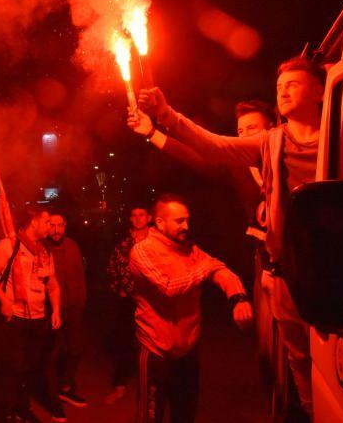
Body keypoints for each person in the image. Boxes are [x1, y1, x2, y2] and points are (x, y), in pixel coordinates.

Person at [129, 57, 325, 420]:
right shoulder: (257, 153)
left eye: (293, 84)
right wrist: (159, 124)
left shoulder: (334, 139)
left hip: (326, 268)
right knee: (287, 355)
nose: (244, 134)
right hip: (275, 268)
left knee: (334, 355)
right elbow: (206, 149)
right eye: (240, 128)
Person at [129, 194, 253, 423]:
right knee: (150, 417)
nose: (186, 226)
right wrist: (204, 269)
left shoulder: (188, 248)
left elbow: (220, 270)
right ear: (159, 222)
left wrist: (238, 297)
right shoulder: (142, 251)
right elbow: (169, 286)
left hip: (188, 352)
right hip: (156, 351)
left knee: (185, 414)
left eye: (187, 220)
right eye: (179, 221)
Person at [0, 205, 62, 423]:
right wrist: (4, 300)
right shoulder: (9, 245)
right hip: (15, 318)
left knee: (30, 368)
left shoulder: (45, 250)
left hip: (38, 319)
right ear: (34, 222)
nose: (50, 227)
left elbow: (53, 285)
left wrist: (55, 310)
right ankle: (7, 412)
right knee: (13, 368)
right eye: (47, 222)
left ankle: (22, 408)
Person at [104, 205, 150, 404]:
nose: (138, 218)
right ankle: (120, 385)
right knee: (123, 342)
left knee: (151, 343)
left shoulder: (158, 242)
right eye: (134, 215)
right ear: (131, 219)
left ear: (149, 218)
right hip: (129, 301)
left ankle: (152, 384)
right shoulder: (123, 244)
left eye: (142, 215)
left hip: (153, 301)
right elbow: (112, 268)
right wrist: (120, 289)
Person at [45, 212, 87, 414]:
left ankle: (65, 386)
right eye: (52, 225)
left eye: (59, 225)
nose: (55, 230)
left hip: (74, 307)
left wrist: (82, 300)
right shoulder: (42, 247)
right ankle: (54, 398)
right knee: (54, 353)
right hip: (51, 309)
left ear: (65, 226)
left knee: (76, 349)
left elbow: (80, 274)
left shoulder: (72, 245)